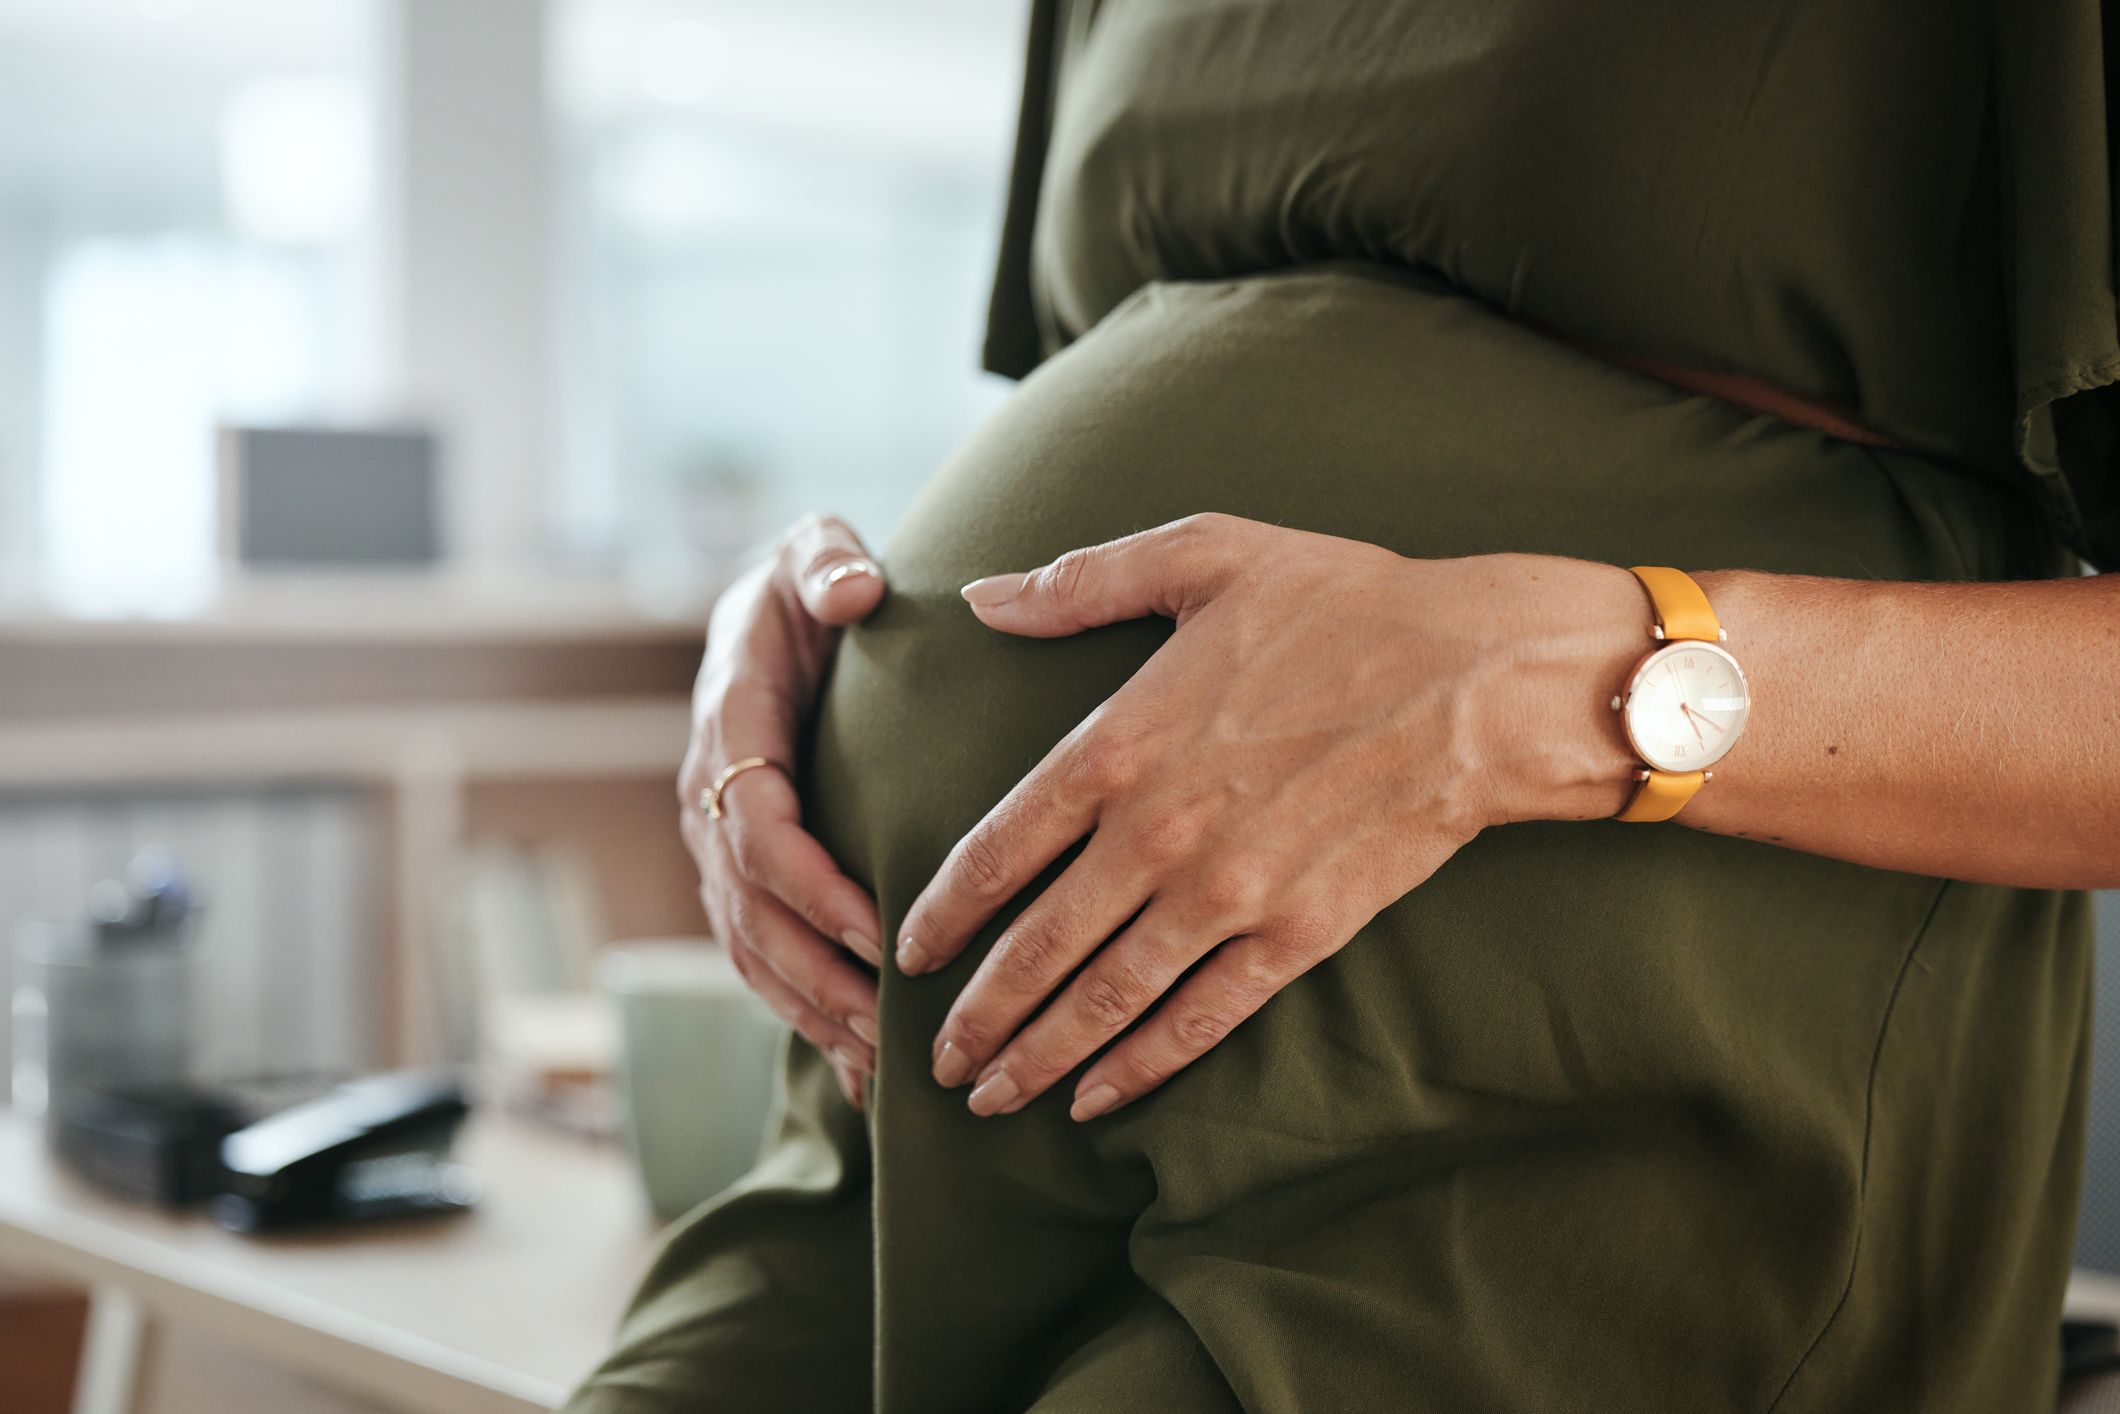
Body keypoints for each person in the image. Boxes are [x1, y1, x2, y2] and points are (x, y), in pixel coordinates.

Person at [566, 1, 2120, 1409]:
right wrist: (831, 625)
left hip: (1539, 1146)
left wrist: (1546, 687)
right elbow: (1152, 382)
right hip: (896, 1119)